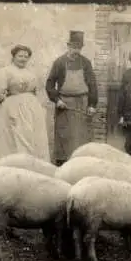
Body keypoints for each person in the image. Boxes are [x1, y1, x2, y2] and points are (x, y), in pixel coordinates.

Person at [0, 44, 50, 166]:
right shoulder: (5, 71)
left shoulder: (30, 73)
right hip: (13, 109)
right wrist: (8, 104)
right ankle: (13, 165)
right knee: (14, 137)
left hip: (31, 109)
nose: (23, 59)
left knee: (31, 137)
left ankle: (31, 166)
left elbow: (35, 91)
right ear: (14, 56)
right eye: (20, 56)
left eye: (26, 57)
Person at [45, 30, 98, 166]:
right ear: (68, 46)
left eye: (78, 48)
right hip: (65, 105)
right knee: (63, 137)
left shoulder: (86, 63)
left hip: (82, 103)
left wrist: (92, 104)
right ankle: (62, 166)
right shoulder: (59, 62)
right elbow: (50, 84)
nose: (76, 50)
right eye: (73, 47)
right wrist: (57, 100)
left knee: (81, 137)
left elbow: (92, 84)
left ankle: (80, 165)